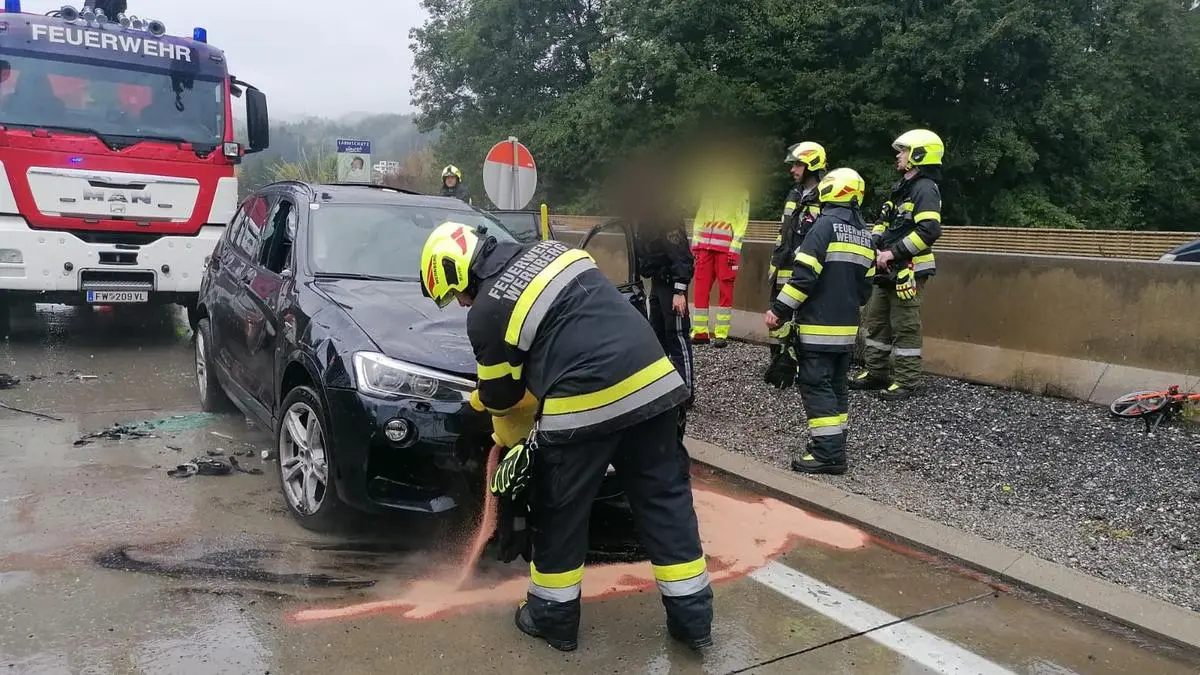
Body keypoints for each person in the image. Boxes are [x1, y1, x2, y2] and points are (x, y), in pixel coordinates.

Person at [418, 223, 713, 653]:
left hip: (584, 401)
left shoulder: (485, 313)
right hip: (654, 384)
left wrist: (479, 413)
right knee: (664, 499)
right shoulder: (554, 252)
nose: (461, 305)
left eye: (454, 295)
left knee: (561, 508)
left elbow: (504, 396)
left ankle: (552, 616)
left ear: (457, 272)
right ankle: (694, 619)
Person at [764, 168, 875, 475]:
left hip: (817, 328)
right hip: (846, 330)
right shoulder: (865, 233)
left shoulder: (824, 226)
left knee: (816, 385)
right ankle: (835, 445)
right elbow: (866, 287)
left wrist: (778, 311)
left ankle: (828, 455)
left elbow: (803, 278)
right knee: (837, 387)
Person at [850, 129, 944, 402]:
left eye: (903, 150)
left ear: (919, 154)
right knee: (877, 321)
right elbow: (883, 222)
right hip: (886, 268)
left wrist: (893, 253)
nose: (898, 154)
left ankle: (907, 381)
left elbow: (929, 230)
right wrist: (877, 244)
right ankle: (876, 373)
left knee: (905, 325)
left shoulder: (925, 189)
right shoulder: (901, 188)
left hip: (910, 270)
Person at [768, 141, 827, 357]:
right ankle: (778, 358)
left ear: (811, 165)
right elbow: (785, 230)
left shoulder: (825, 196)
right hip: (782, 266)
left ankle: (798, 359)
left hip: (805, 269)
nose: (792, 170)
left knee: (802, 315)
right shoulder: (794, 193)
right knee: (777, 314)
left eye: (798, 165)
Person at [689, 177, 749, 348]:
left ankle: (721, 334)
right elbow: (700, 217)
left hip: (726, 251)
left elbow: (742, 221)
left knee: (725, 290)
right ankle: (700, 332)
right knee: (700, 290)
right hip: (704, 249)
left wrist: (734, 250)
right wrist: (695, 245)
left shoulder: (740, 190)